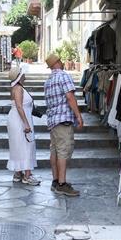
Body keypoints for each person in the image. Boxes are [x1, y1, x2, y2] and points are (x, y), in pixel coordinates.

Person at [44, 53, 83, 196]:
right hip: (63, 120)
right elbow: (70, 97)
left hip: (53, 120)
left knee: (54, 150)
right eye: (60, 60)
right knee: (63, 151)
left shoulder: (48, 81)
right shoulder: (63, 76)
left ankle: (55, 181)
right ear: (58, 62)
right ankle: (62, 184)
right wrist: (78, 115)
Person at [7, 65, 40, 185]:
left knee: (18, 146)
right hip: (20, 119)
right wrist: (26, 123)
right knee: (26, 145)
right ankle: (27, 175)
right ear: (20, 76)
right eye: (23, 74)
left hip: (16, 118)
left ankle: (18, 173)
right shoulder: (18, 88)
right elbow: (19, 106)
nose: (25, 76)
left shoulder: (15, 87)